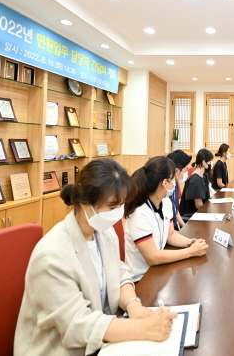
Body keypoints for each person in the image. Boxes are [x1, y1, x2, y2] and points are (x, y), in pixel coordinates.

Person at [15, 159, 177, 356]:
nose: (118, 213)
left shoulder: (104, 233)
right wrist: (144, 328)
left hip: (100, 340)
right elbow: (78, 324)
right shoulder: (51, 255)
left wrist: (133, 305)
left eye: (121, 205)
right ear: (85, 203)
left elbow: (119, 274)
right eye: (111, 207)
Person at [124, 157, 209, 282]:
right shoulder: (139, 213)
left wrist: (191, 242)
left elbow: (171, 234)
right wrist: (190, 252)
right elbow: (152, 257)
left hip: (160, 269)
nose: (175, 182)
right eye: (173, 178)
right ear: (165, 183)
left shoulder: (166, 202)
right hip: (142, 279)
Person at [180, 149, 213, 219]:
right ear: (204, 162)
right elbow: (199, 205)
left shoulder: (203, 176)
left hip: (200, 213)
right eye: (210, 162)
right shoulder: (195, 180)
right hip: (191, 215)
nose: (211, 164)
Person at [167, 150, 192, 230]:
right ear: (177, 171)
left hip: (175, 227)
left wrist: (185, 227)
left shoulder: (175, 184)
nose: (186, 172)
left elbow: (175, 210)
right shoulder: (167, 189)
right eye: (185, 169)